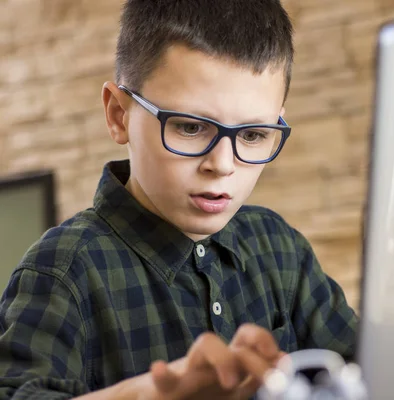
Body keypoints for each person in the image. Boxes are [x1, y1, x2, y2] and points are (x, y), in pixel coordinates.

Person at [0, 0, 358, 398]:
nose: (223, 165)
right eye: (190, 127)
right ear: (119, 115)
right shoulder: (60, 272)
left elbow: (368, 368)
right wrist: (152, 393)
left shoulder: (278, 246)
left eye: (253, 135)